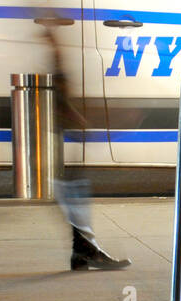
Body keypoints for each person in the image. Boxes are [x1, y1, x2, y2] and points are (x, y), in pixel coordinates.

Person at [40, 17, 130, 271]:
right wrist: (77, 118)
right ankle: (85, 250)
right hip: (57, 139)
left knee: (73, 191)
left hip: (60, 137)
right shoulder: (54, 56)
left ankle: (82, 251)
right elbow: (60, 89)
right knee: (72, 192)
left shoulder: (56, 53)